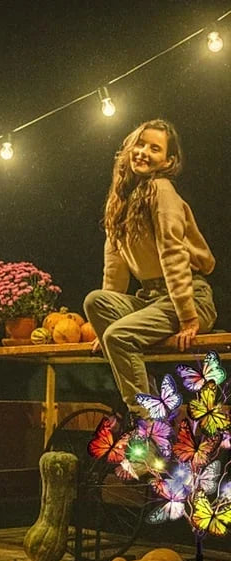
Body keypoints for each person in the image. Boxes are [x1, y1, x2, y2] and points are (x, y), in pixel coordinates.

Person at [84, 119, 217, 424]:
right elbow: (115, 269)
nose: (143, 152)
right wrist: (102, 329)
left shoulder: (161, 189)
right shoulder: (120, 199)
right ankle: (155, 405)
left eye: (154, 149)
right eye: (140, 144)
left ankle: (146, 423)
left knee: (118, 336)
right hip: (152, 298)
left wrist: (188, 317)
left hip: (188, 297)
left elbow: (173, 254)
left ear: (168, 161)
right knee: (95, 301)